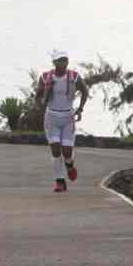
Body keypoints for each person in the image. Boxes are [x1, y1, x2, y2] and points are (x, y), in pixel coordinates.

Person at [36, 52, 90, 193]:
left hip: (68, 117)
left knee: (66, 152)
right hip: (52, 117)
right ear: (54, 63)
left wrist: (80, 109)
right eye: (60, 60)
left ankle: (70, 165)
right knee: (55, 149)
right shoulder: (45, 77)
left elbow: (85, 91)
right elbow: (38, 96)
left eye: (66, 60)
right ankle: (59, 181)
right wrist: (41, 104)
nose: (64, 63)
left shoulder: (73, 76)